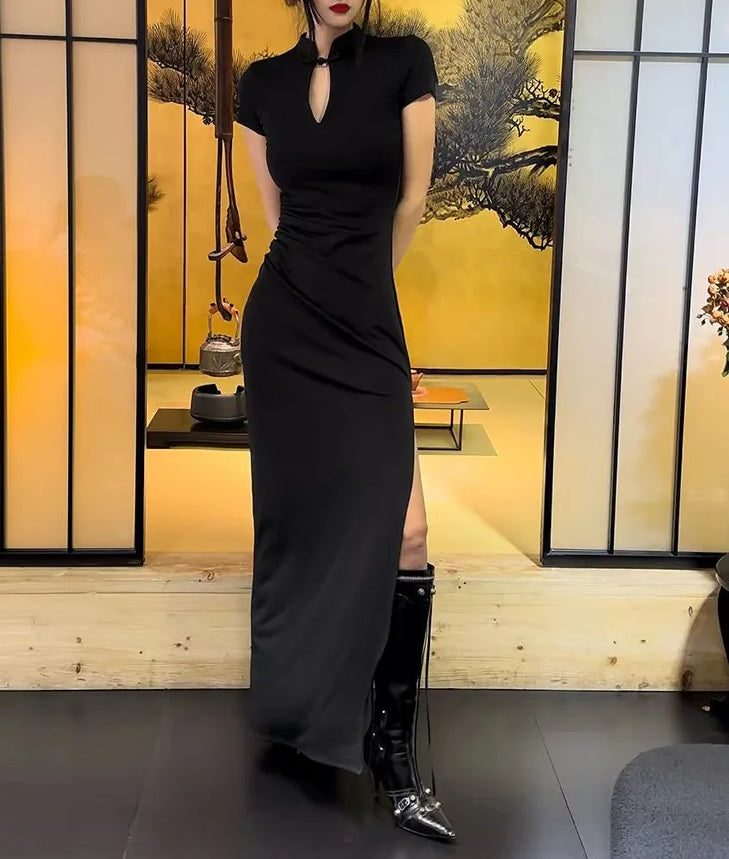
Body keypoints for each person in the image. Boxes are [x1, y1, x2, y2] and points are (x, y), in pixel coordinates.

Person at [236, 0, 455, 842]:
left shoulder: (405, 62)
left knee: (408, 531)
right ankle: (300, 708)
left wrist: (363, 293)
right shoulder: (262, 84)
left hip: (365, 321)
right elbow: (275, 218)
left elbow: (413, 200)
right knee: (297, 523)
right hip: (285, 326)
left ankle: (391, 751)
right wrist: (321, 286)